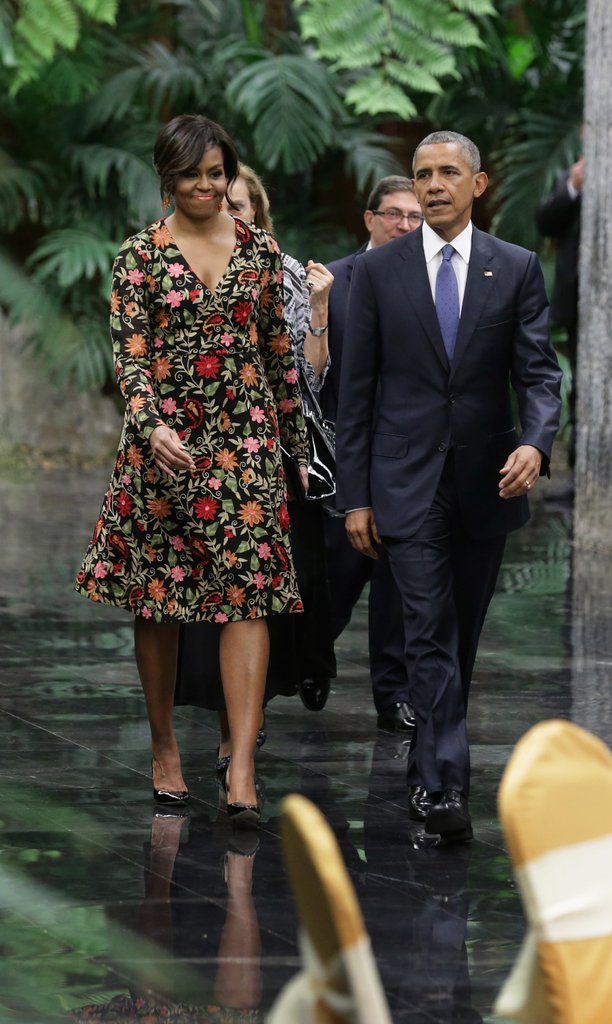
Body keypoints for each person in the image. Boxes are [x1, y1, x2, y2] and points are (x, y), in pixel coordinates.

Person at [75, 115, 309, 828]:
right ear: (167, 177)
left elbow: (276, 355)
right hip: (164, 451)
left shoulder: (261, 253)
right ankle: (164, 747)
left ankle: (240, 763)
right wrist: (152, 427)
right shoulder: (138, 256)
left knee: (247, 597)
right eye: (192, 174)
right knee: (161, 603)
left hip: (246, 447)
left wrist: (296, 448)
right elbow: (131, 361)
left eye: (217, 173)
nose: (206, 186)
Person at [336, 131, 562, 842]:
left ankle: (430, 766)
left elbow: (538, 373)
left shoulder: (516, 267)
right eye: (422, 174)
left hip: (485, 481)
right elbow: (357, 391)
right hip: (404, 484)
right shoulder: (378, 274)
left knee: (458, 637)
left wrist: (534, 440)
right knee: (428, 630)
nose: (432, 185)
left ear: (478, 184)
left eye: (447, 173)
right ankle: (442, 787)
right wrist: (356, 497)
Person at [174, 164, 337, 768]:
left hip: (270, 456)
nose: (229, 211)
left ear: (257, 214)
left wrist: (318, 312)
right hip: (195, 458)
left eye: (240, 204)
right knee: (210, 602)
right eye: (222, 201)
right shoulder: (172, 265)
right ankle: (230, 733)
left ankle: (246, 731)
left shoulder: (283, 273)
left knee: (258, 603)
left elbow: (310, 378)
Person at [322, 176, 424, 732]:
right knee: (335, 579)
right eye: (393, 214)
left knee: (397, 586)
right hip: (343, 454)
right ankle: (309, 662)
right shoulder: (333, 281)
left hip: (407, 459)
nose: (404, 225)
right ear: (369, 218)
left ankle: (394, 695)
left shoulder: (430, 281)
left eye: (414, 217)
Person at [536, 152, 583, 491]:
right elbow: (546, 222)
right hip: (584, 303)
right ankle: (578, 477)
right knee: (582, 388)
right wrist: (573, 186)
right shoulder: (573, 175)